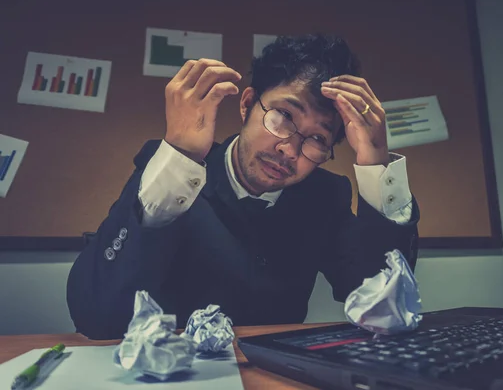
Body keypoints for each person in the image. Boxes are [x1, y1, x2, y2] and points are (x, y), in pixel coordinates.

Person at [66, 34, 420, 340]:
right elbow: (97, 318)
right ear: (247, 103)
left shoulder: (325, 196)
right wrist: (180, 154)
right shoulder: (174, 174)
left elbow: (385, 306)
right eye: (282, 117)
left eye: (316, 138)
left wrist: (377, 163)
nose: (289, 150)